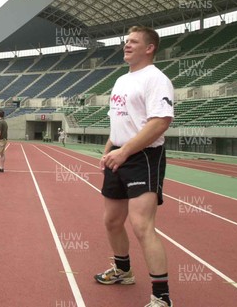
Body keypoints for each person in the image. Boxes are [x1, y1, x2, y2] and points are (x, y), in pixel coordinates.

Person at [95, 26, 174, 307]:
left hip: (142, 157)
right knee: (112, 221)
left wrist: (125, 151)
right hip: (117, 154)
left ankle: (161, 297)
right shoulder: (121, 80)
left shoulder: (156, 79)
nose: (126, 45)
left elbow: (160, 122)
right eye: (126, 41)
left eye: (133, 42)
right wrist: (109, 150)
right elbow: (118, 119)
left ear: (149, 47)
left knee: (142, 226)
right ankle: (123, 270)